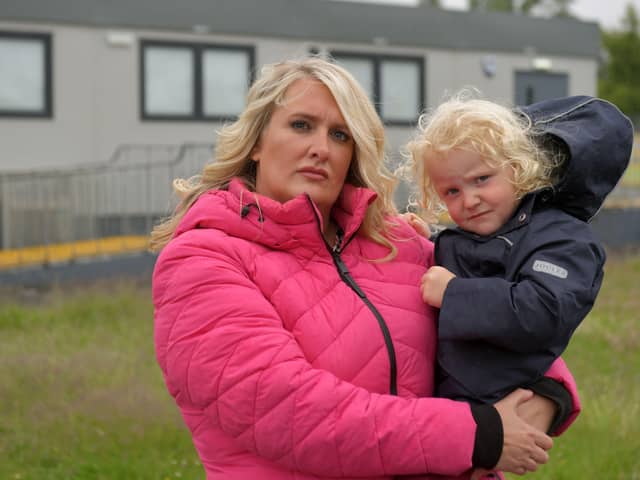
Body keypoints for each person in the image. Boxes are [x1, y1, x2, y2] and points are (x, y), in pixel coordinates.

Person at [150, 57, 581, 480]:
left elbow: (502, 322)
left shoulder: (396, 243)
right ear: (257, 142)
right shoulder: (201, 261)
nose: (321, 148)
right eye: (301, 125)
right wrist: (478, 434)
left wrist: (545, 397)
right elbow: (292, 413)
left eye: (340, 134)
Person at [403, 92, 633, 410]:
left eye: (481, 179)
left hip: (492, 406)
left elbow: (544, 311)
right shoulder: (497, 228)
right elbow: (483, 257)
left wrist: (454, 294)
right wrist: (429, 240)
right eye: (452, 191)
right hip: (452, 403)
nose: (469, 200)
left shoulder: (563, 239)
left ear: (519, 168)